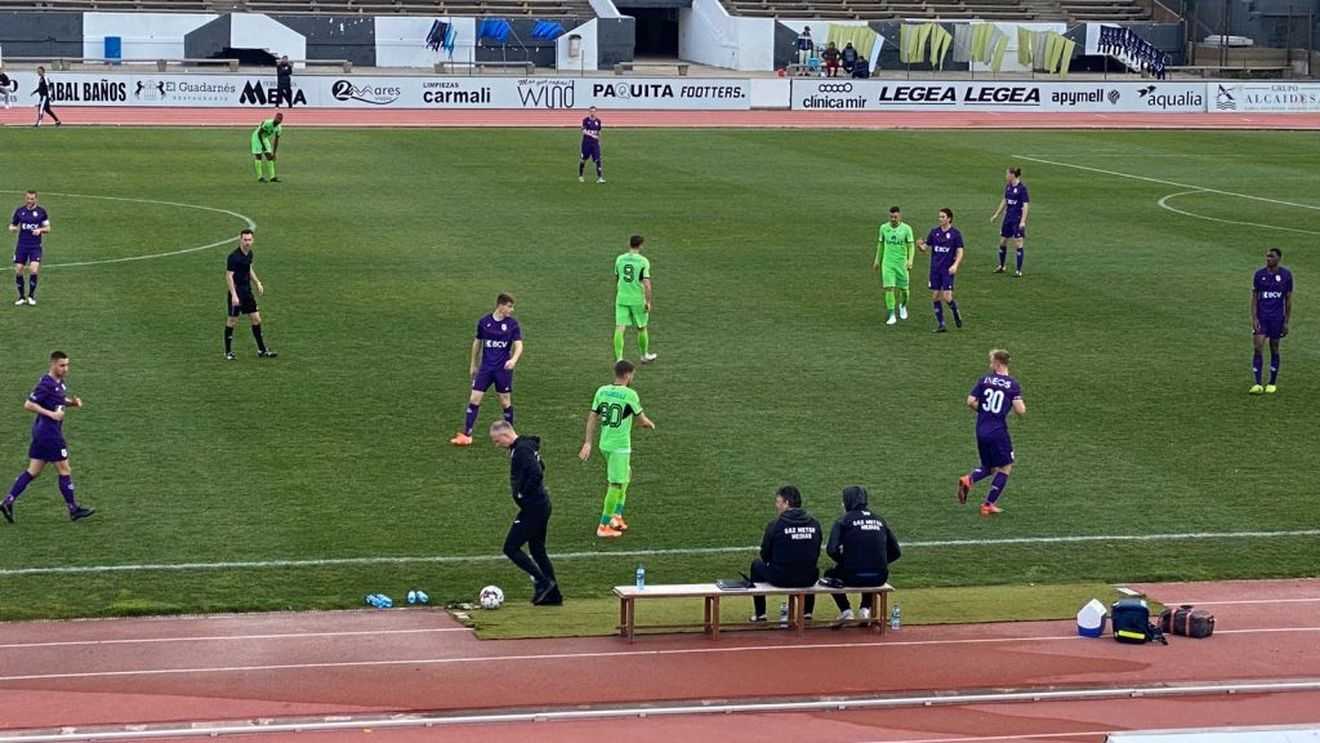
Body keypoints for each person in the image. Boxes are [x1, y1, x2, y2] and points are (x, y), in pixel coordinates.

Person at [1, 352, 95, 524]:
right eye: (62, 365)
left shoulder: (59, 382)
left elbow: (57, 399)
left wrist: (71, 403)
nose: (65, 369)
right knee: (65, 470)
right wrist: (51, 414)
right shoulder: (46, 383)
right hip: (49, 433)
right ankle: (73, 509)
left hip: (41, 432)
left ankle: (8, 501)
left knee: (33, 471)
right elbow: (28, 404)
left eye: (67, 365)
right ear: (53, 365)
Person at [489, 420, 562, 605]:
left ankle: (543, 583)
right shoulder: (526, 446)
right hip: (540, 505)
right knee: (538, 551)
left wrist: (522, 492)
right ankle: (554, 596)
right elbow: (541, 465)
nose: (497, 445)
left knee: (511, 548)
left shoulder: (521, 450)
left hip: (534, 508)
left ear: (506, 435)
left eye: (497, 441)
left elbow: (537, 472)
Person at [580, 360, 655, 538]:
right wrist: (650, 425)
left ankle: (616, 516)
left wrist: (588, 442)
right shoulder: (630, 394)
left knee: (626, 474)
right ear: (628, 375)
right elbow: (641, 420)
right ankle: (603, 526)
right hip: (619, 446)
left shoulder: (602, 391)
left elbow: (592, 416)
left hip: (605, 444)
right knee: (615, 484)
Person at [958, 349, 1026, 516]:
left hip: (981, 430)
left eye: (991, 362)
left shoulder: (984, 380)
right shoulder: (1012, 385)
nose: (990, 365)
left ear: (997, 363)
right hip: (998, 431)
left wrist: (984, 412)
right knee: (1005, 467)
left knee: (989, 466)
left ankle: (969, 479)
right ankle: (988, 505)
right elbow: (1020, 410)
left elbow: (970, 401)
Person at [450, 294, 523, 446]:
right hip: (486, 369)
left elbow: (519, 345)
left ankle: (511, 436)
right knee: (474, 399)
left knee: (505, 402)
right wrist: (472, 364)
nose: (512, 310)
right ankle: (467, 435)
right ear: (501, 306)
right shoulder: (484, 322)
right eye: (510, 306)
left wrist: (513, 360)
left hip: (503, 370)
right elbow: (477, 343)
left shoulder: (512, 325)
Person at [822, 485, 901, 624]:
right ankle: (865, 608)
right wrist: (880, 562)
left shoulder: (843, 521)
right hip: (880, 577)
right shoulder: (880, 520)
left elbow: (831, 550)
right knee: (869, 567)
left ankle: (846, 610)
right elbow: (896, 552)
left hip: (852, 576)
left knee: (829, 573)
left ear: (848, 501)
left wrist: (845, 562)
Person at [749, 485, 821, 623]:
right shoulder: (814, 523)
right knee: (811, 566)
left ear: (787, 503)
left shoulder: (775, 524)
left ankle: (760, 614)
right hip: (808, 578)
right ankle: (806, 612)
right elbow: (816, 553)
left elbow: (764, 554)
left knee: (756, 565)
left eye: (778, 502)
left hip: (781, 577)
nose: (777, 505)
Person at [224, 228, 277, 361]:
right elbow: (229, 277)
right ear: (240, 240)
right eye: (245, 240)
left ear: (252, 240)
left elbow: (249, 269)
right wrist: (234, 295)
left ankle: (262, 350)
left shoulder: (249, 254)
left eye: (249, 240)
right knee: (232, 321)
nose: (247, 242)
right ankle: (228, 352)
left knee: (256, 319)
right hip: (236, 293)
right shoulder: (233, 257)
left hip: (247, 292)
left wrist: (257, 282)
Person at [1250, 248, 1293, 395]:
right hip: (1262, 318)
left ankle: (1272, 383)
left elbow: (1288, 300)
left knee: (1274, 348)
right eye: (1267, 256)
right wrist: (1254, 318)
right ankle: (1257, 384)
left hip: (1276, 318)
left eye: (1271, 256)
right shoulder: (1259, 275)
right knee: (1258, 348)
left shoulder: (1286, 276)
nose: (1268, 259)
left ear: (1278, 259)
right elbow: (1255, 299)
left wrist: (1286, 321)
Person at [916, 207, 965, 332]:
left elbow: (960, 251)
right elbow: (925, 248)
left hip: (947, 270)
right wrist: (919, 245)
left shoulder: (955, 234)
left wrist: (955, 265)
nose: (940, 219)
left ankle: (955, 312)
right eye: (939, 217)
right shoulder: (934, 233)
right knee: (935, 296)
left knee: (947, 297)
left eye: (943, 217)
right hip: (935, 270)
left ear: (949, 218)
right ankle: (941, 324)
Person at [613, 234, 657, 363]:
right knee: (641, 327)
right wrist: (648, 302)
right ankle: (644, 355)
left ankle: (619, 358)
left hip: (621, 298)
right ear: (641, 246)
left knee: (619, 328)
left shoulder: (620, 259)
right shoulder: (643, 261)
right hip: (637, 299)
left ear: (629, 244)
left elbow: (617, 277)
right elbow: (647, 283)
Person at [873, 206, 915, 326]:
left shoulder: (907, 229)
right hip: (888, 264)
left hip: (901, 264)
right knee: (889, 288)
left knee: (904, 290)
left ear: (899, 216)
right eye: (891, 217)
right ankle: (891, 315)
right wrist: (877, 261)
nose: (893, 219)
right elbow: (880, 245)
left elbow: (911, 246)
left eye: (895, 217)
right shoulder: (884, 228)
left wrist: (910, 261)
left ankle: (902, 306)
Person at [10, 190, 49, 306]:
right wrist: (12, 228)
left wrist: (40, 230)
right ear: (25, 198)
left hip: (35, 246)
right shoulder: (20, 211)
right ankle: (21, 297)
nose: (29, 201)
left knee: (33, 269)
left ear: (36, 199)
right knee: (18, 270)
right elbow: (13, 224)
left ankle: (31, 296)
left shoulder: (41, 212)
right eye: (28, 198)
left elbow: (48, 228)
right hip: (22, 245)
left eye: (32, 199)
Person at [990, 166, 1029, 277]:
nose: (1006, 176)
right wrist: (996, 214)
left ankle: (1018, 270)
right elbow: (1005, 200)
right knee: (1002, 242)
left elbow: (1026, 205)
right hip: (1008, 218)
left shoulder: (1022, 188)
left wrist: (1023, 221)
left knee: (1018, 242)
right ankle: (1002, 266)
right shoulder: (1009, 186)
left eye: (1007, 174)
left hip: (1017, 219)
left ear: (1013, 175)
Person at [251, 112, 283, 183]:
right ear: (274, 118)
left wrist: (274, 154)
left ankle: (272, 177)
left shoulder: (279, 128)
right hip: (257, 137)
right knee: (259, 156)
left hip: (264, 138)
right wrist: (263, 146)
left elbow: (276, 142)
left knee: (269, 156)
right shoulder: (268, 123)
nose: (278, 121)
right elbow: (259, 133)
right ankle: (260, 177)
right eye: (277, 118)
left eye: (279, 120)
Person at [578, 106, 604, 184]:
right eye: (591, 111)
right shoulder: (586, 120)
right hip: (586, 144)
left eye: (594, 111)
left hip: (595, 144)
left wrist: (598, 138)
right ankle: (581, 176)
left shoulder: (598, 121)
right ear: (589, 112)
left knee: (598, 160)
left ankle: (599, 178)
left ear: (596, 112)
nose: (592, 113)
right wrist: (592, 135)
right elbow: (583, 131)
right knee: (584, 160)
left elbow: (598, 131)